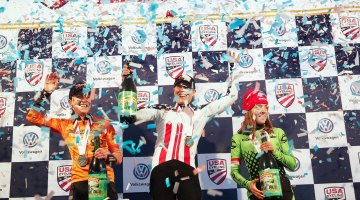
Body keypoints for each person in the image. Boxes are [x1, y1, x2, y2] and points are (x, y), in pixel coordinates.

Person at [121, 53, 241, 200]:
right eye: (179, 86)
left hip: (187, 169)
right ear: (174, 90)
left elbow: (231, 97)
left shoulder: (201, 113)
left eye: (187, 87)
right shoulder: (162, 111)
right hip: (161, 168)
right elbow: (129, 116)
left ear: (194, 92)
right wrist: (126, 84)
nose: (182, 90)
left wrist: (234, 68)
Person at [26, 72, 122, 200]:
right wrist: (45, 93)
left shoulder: (104, 124)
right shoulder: (64, 124)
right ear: (70, 102)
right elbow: (32, 117)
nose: (83, 100)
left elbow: (118, 157)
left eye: (87, 96)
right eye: (78, 96)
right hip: (79, 181)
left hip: (103, 179)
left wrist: (107, 157)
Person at [230, 88, 297, 200]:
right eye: (258, 106)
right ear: (248, 111)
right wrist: (248, 185)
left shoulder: (278, 132)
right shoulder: (238, 138)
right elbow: (234, 172)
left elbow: (293, 165)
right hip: (258, 194)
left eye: (265, 107)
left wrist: (274, 152)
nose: (263, 110)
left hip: (284, 194)